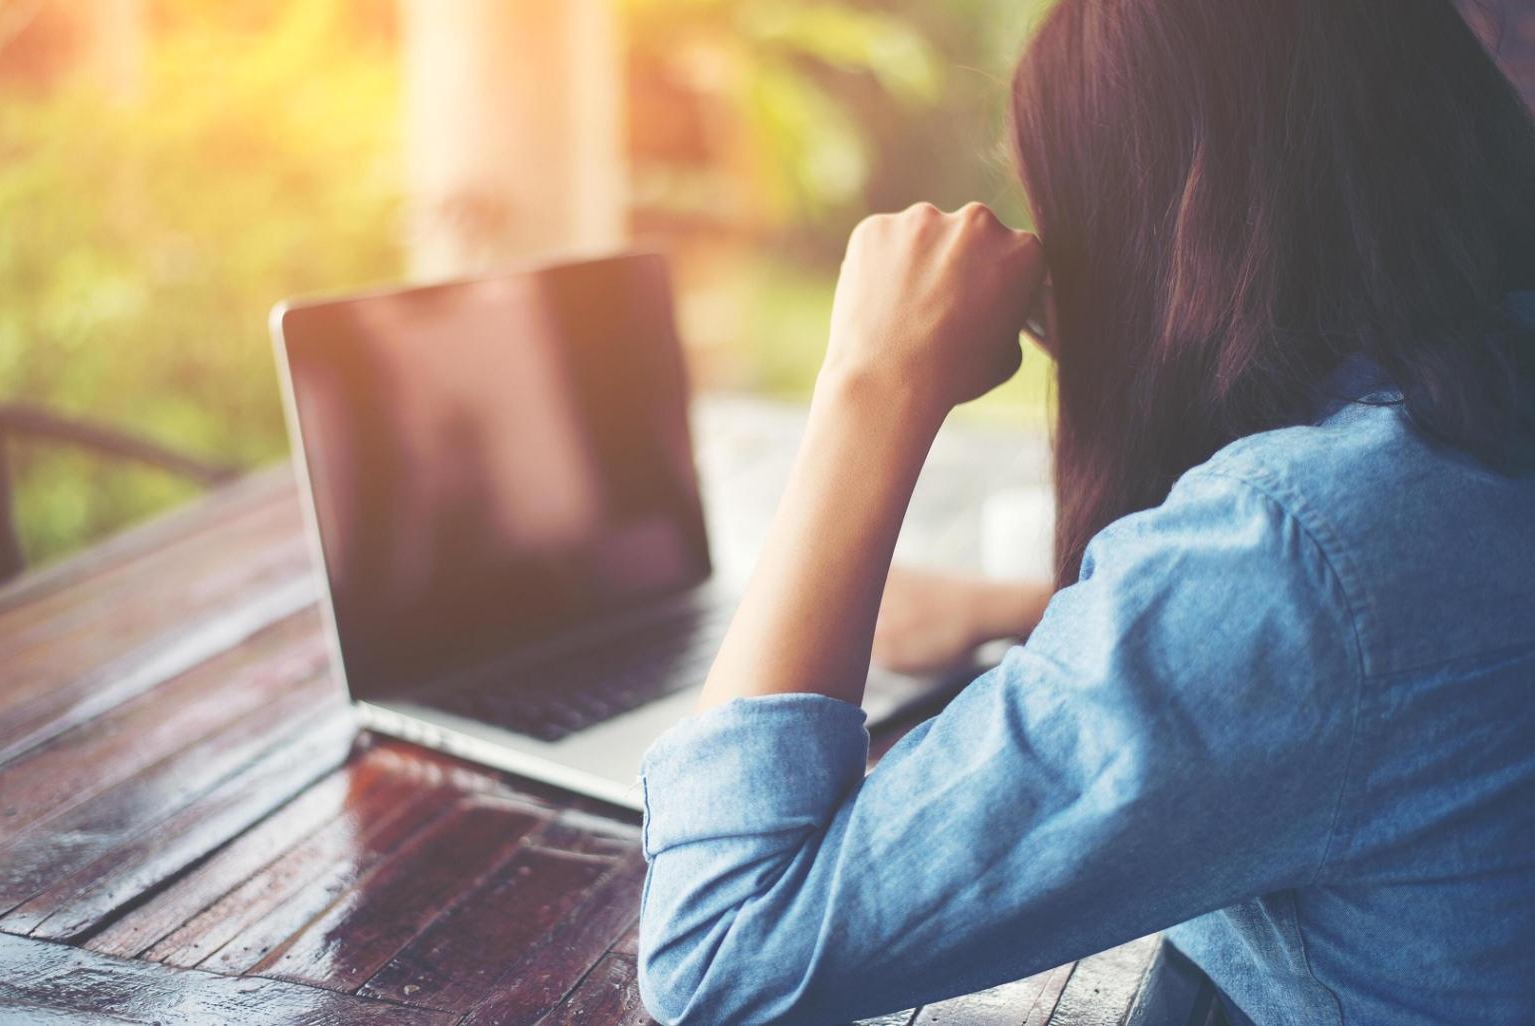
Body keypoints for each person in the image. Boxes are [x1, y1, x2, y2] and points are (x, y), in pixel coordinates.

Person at [635, 1, 1535, 1023]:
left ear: (1162, 228)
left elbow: (721, 951)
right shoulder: (1468, 416)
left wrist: (871, 381)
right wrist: (1011, 603)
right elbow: (1406, 647)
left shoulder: (1296, 555)